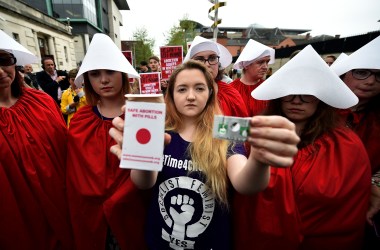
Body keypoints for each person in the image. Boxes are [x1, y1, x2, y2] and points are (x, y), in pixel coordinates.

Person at [109, 60, 300, 249]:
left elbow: (245, 184)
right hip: (161, 241)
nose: (191, 96)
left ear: (210, 93)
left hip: (212, 242)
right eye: (182, 89)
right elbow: (143, 182)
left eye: (199, 88)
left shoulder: (227, 129)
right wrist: (141, 155)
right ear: (171, 95)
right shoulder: (159, 130)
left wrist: (259, 158)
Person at [232, 45, 371, 250]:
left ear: (320, 99)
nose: (297, 101)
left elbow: (347, 206)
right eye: (289, 94)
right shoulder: (257, 129)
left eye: (307, 95)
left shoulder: (345, 145)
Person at [66, 33, 148, 250]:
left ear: (122, 74)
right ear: (88, 80)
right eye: (95, 74)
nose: (103, 80)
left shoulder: (143, 115)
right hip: (91, 214)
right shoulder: (81, 119)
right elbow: (75, 174)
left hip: (134, 209)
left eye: (110, 72)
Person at [0, 30, 73, 249]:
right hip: (19, 219)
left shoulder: (41, 101)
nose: (1, 71)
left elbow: (68, 148)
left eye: (4, 60)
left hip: (62, 206)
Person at [331, 35, 380, 249]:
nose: (370, 81)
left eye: (379, 76)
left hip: (359, 208)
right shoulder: (316, 108)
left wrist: (375, 185)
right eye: (361, 72)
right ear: (344, 75)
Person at [184, 35, 249, 117]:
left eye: (212, 58)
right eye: (200, 59)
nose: (207, 64)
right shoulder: (181, 94)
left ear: (218, 63)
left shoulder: (230, 93)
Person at [230, 39, 275, 116]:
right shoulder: (231, 89)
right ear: (247, 65)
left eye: (267, 62)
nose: (265, 67)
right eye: (260, 62)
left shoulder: (269, 89)